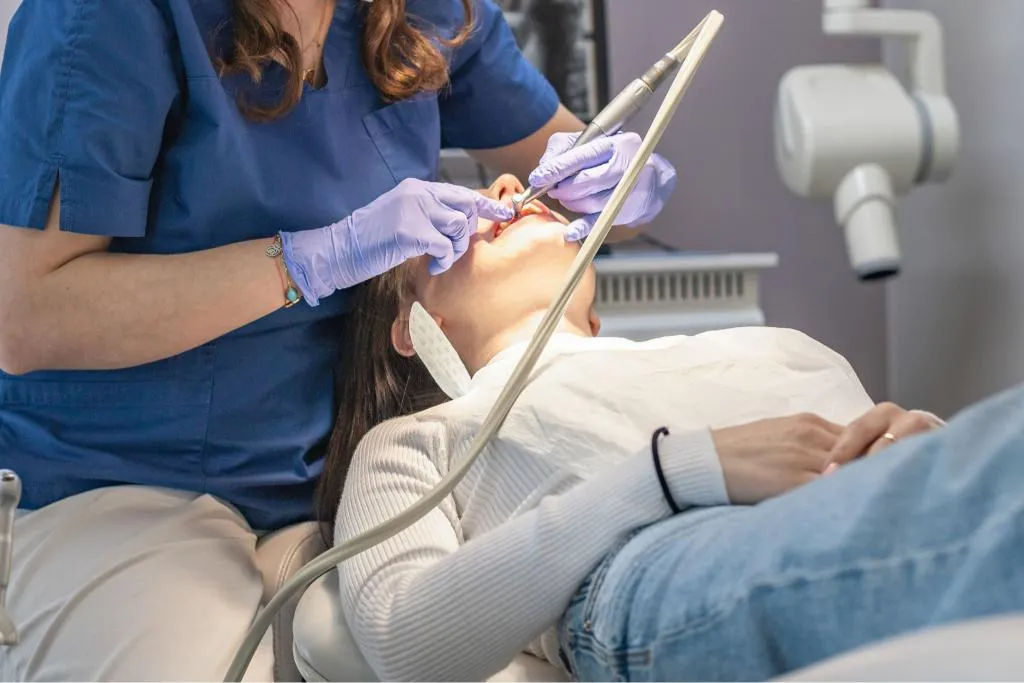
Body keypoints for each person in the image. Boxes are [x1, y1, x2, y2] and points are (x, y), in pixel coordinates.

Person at [0, 0, 677, 680]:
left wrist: (623, 181)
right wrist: (309, 260)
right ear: (419, 330)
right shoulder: (112, 18)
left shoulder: (423, 12)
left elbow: (582, 184)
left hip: (336, 488)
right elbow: (25, 320)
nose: (507, 192)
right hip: (117, 483)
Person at [324, 174, 1024, 681]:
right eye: (456, 210)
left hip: (865, 501)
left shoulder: (771, 345)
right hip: (655, 566)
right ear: (416, 327)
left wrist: (917, 435)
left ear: (596, 319)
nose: (508, 183)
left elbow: (923, 479)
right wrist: (678, 470)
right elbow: (402, 643)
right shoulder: (427, 439)